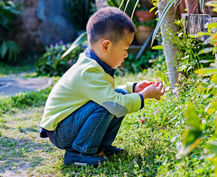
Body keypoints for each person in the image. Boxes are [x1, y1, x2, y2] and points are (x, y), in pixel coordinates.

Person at [39, 7, 165, 167]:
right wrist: (144, 96)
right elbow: (114, 104)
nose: (126, 55)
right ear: (105, 46)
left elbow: (109, 93)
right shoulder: (88, 71)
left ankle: (100, 146)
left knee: (116, 96)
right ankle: (80, 152)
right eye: (125, 49)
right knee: (110, 104)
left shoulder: (94, 64)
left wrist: (133, 88)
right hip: (61, 131)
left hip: (67, 124)